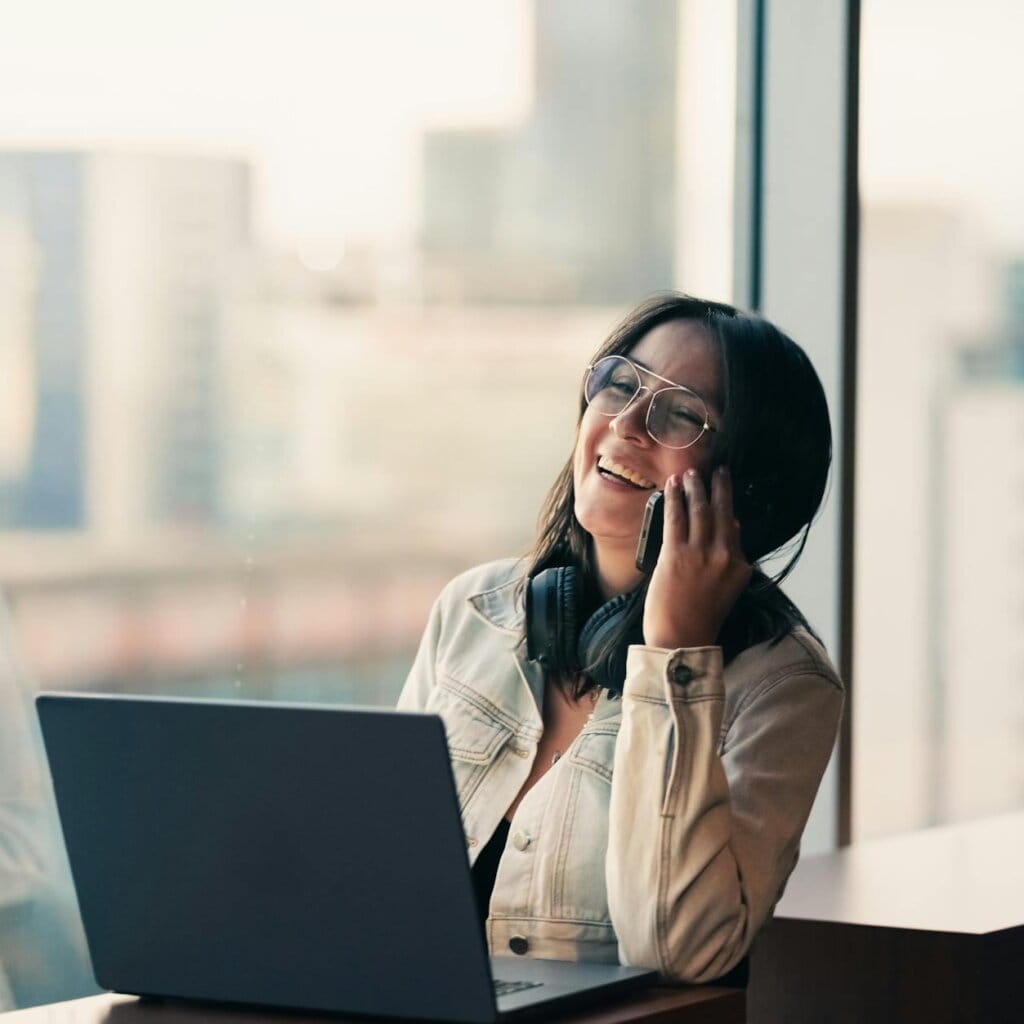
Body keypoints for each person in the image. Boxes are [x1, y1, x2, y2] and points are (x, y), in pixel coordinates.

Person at [397, 293, 844, 985]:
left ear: (746, 490)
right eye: (622, 384)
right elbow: (377, 872)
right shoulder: (475, 610)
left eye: (683, 414)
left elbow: (679, 952)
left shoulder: (783, 688)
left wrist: (674, 655)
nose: (627, 423)